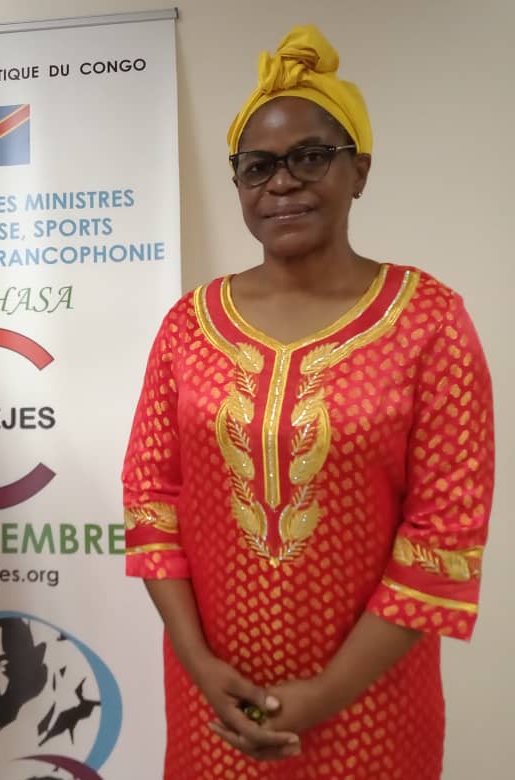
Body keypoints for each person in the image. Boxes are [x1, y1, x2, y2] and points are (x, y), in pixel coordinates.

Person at [122, 25, 494, 779]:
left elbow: (444, 535)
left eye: (311, 156)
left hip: (372, 709)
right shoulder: (189, 325)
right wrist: (198, 665)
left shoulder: (428, 321)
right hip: (214, 701)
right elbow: (150, 499)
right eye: (257, 166)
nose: (282, 183)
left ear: (360, 171)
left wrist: (324, 696)